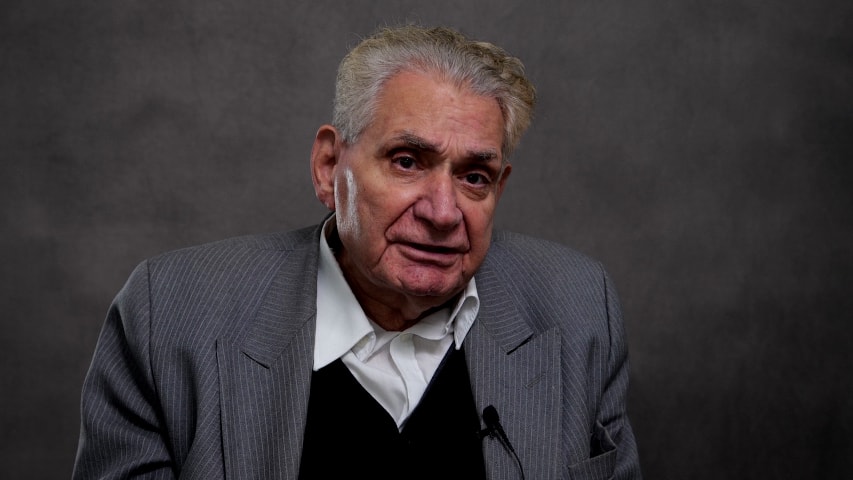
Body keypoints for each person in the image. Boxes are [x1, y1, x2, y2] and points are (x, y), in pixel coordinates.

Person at [73, 25, 641, 479]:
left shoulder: (579, 308)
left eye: (474, 177)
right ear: (329, 168)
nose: (443, 212)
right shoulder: (169, 315)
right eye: (407, 162)